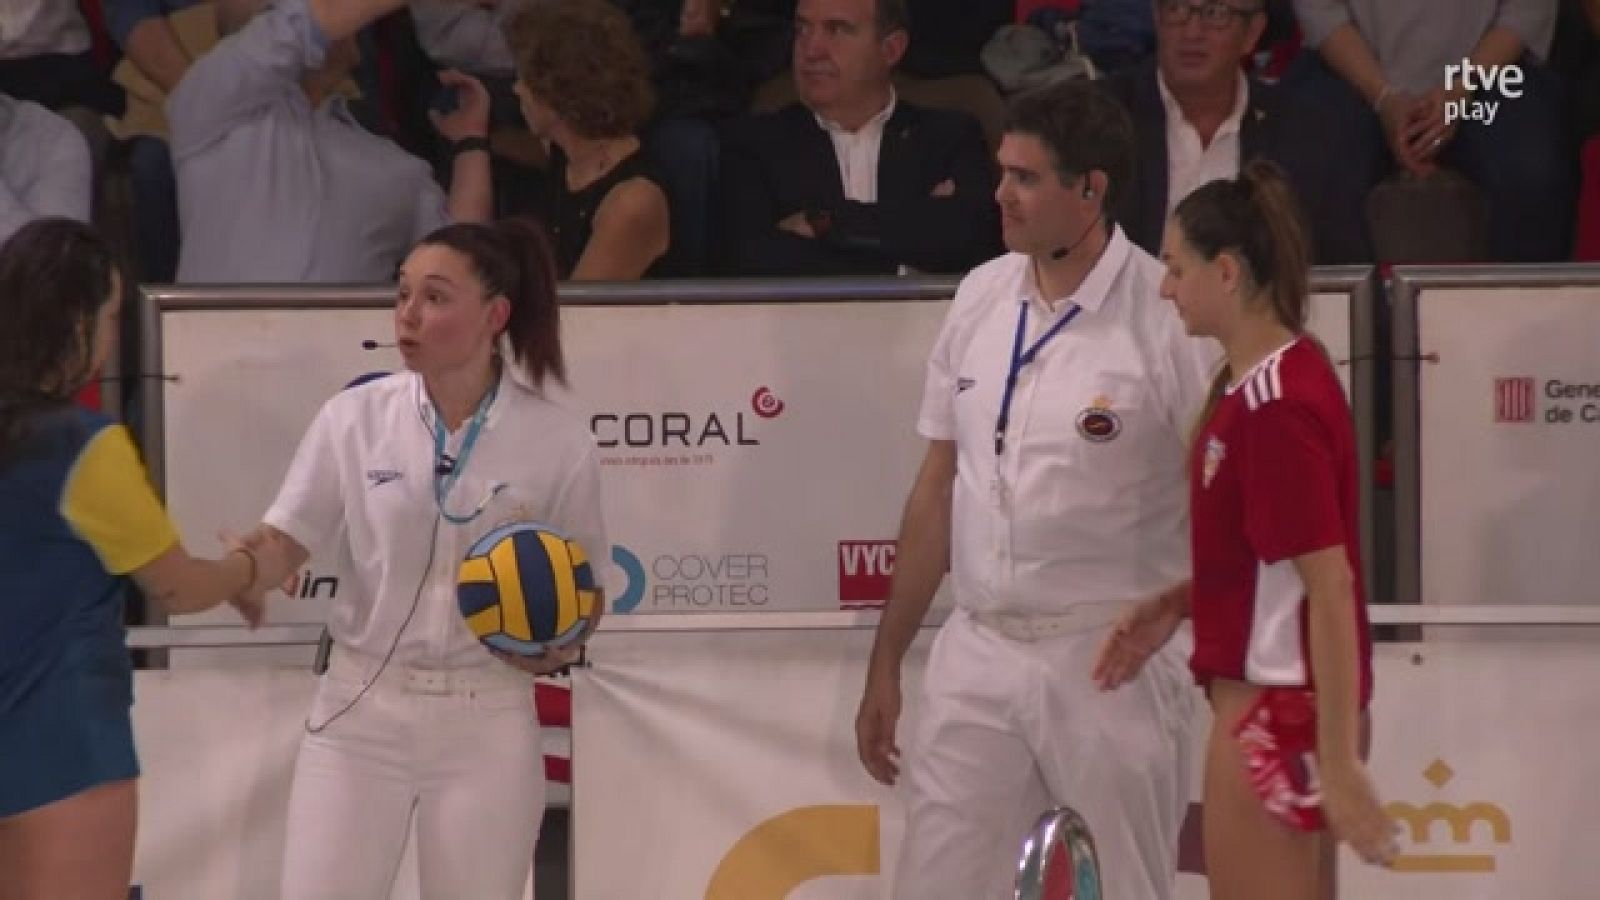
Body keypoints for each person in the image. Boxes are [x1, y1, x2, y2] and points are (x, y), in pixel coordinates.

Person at [853, 80, 1216, 900]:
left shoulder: (1166, 319)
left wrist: (1197, 628)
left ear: (1090, 190)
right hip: (977, 651)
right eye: (1001, 171)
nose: (1000, 194)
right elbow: (938, 485)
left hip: (1110, 660)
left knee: (1126, 888)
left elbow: (1229, 496)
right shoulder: (980, 296)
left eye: (1024, 177)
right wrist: (887, 660)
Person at [234, 217, 608, 899]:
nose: (408, 314)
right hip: (357, 711)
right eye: (402, 293)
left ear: (495, 315)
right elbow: (285, 537)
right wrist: (245, 566)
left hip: (488, 717)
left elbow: (589, 591)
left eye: (435, 298)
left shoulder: (555, 439)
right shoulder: (354, 417)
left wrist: (558, 642)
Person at [1097, 160, 1396, 899]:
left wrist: (1335, 760)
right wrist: (1178, 602)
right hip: (1281, 707)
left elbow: (1329, 586)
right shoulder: (1261, 381)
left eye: (1174, 268)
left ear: (1225, 271)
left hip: (1275, 711)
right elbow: (1278, 565)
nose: (1164, 288)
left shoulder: (1272, 405)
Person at [0, 218, 266, 900]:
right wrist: (247, 568)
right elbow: (178, 588)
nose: (115, 335)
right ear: (76, 321)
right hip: (58, 741)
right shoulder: (83, 446)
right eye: (112, 315)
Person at [168, 0, 493, 282]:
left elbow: (459, 260)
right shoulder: (207, 106)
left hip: (349, 351)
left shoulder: (396, 165)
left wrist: (470, 143)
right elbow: (301, 25)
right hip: (215, 348)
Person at [718, 0, 1001, 276]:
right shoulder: (755, 142)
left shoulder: (948, 135)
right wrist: (902, 268)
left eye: (837, 29)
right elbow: (754, 260)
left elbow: (969, 242)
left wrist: (826, 223)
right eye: (802, 29)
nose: (811, 50)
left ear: (891, 49)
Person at [1104, 0, 1371, 264]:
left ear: (1252, 33)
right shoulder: (1098, 119)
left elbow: (1347, 279)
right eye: (1176, 9)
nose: (1192, 31)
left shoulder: (1307, 133)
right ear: (1157, 18)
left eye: (1216, 13)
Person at [505, 0, 672, 279]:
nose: (517, 89)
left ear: (559, 93)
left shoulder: (632, 202)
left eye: (525, 78)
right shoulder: (566, 151)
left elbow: (578, 316)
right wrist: (472, 137)